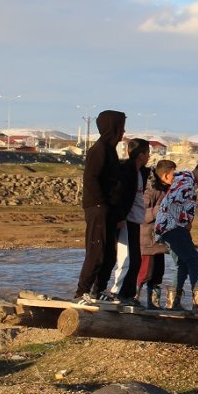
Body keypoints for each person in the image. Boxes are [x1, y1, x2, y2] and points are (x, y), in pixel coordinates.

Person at [154, 159, 198, 314]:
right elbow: (174, 202)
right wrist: (186, 222)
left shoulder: (182, 177)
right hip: (172, 226)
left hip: (167, 227)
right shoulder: (187, 183)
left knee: (182, 263)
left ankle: (172, 302)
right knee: (194, 260)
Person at [74, 109, 125, 303]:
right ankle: (82, 292)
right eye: (121, 127)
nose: (123, 132)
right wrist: (101, 204)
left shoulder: (110, 149)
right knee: (96, 251)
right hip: (98, 208)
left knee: (110, 254)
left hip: (108, 209)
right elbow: (91, 179)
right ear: (113, 128)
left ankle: (98, 291)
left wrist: (116, 213)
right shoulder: (99, 149)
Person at [111, 138, 151, 306]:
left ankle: (128, 294)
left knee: (136, 260)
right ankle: (117, 293)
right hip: (125, 219)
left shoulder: (140, 172)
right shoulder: (126, 170)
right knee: (126, 259)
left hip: (136, 220)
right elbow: (118, 196)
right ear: (141, 154)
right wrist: (120, 217)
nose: (149, 157)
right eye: (148, 153)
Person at [137, 159, 175, 309]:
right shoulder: (150, 191)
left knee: (158, 275)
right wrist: (158, 210)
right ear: (165, 175)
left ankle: (153, 304)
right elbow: (141, 214)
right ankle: (133, 298)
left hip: (159, 241)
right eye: (173, 174)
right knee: (144, 274)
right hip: (148, 242)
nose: (175, 178)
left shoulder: (168, 191)